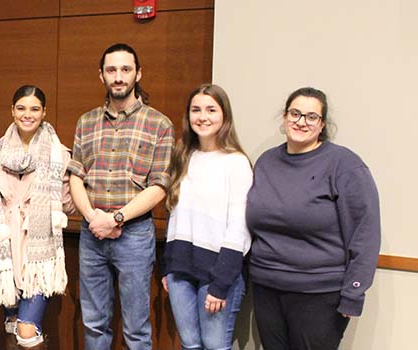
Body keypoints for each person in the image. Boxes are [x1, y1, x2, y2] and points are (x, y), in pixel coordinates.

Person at [246, 87, 381, 350]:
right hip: (266, 288)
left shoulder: (344, 165)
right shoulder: (266, 161)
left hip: (319, 294)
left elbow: (365, 234)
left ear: (322, 124)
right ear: (284, 117)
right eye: (295, 113)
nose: (301, 122)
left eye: (311, 116)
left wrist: (354, 291)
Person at [68, 43, 174, 350]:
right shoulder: (85, 122)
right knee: (94, 323)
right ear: (101, 75)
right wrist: (93, 219)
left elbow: (159, 186)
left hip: (135, 235)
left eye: (125, 69)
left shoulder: (159, 124)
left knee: (137, 328)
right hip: (92, 233)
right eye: (111, 70)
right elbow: (76, 175)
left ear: (138, 74)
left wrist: (116, 218)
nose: (118, 77)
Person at [0, 85, 76, 350]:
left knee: (26, 329)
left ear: (44, 112)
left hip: (37, 252)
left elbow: (69, 204)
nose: (27, 114)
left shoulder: (59, 153)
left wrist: (76, 177)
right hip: (5, 247)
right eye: (21, 108)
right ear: (12, 111)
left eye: (34, 109)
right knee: (11, 326)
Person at [161, 84, 251, 350]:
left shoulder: (236, 162)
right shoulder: (183, 155)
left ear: (224, 116)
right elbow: (175, 216)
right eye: (196, 110)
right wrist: (168, 266)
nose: (203, 117)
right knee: (189, 345)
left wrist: (221, 284)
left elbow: (240, 227)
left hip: (217, 272)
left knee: (214, 346)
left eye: (211, 110)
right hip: (180, 270)